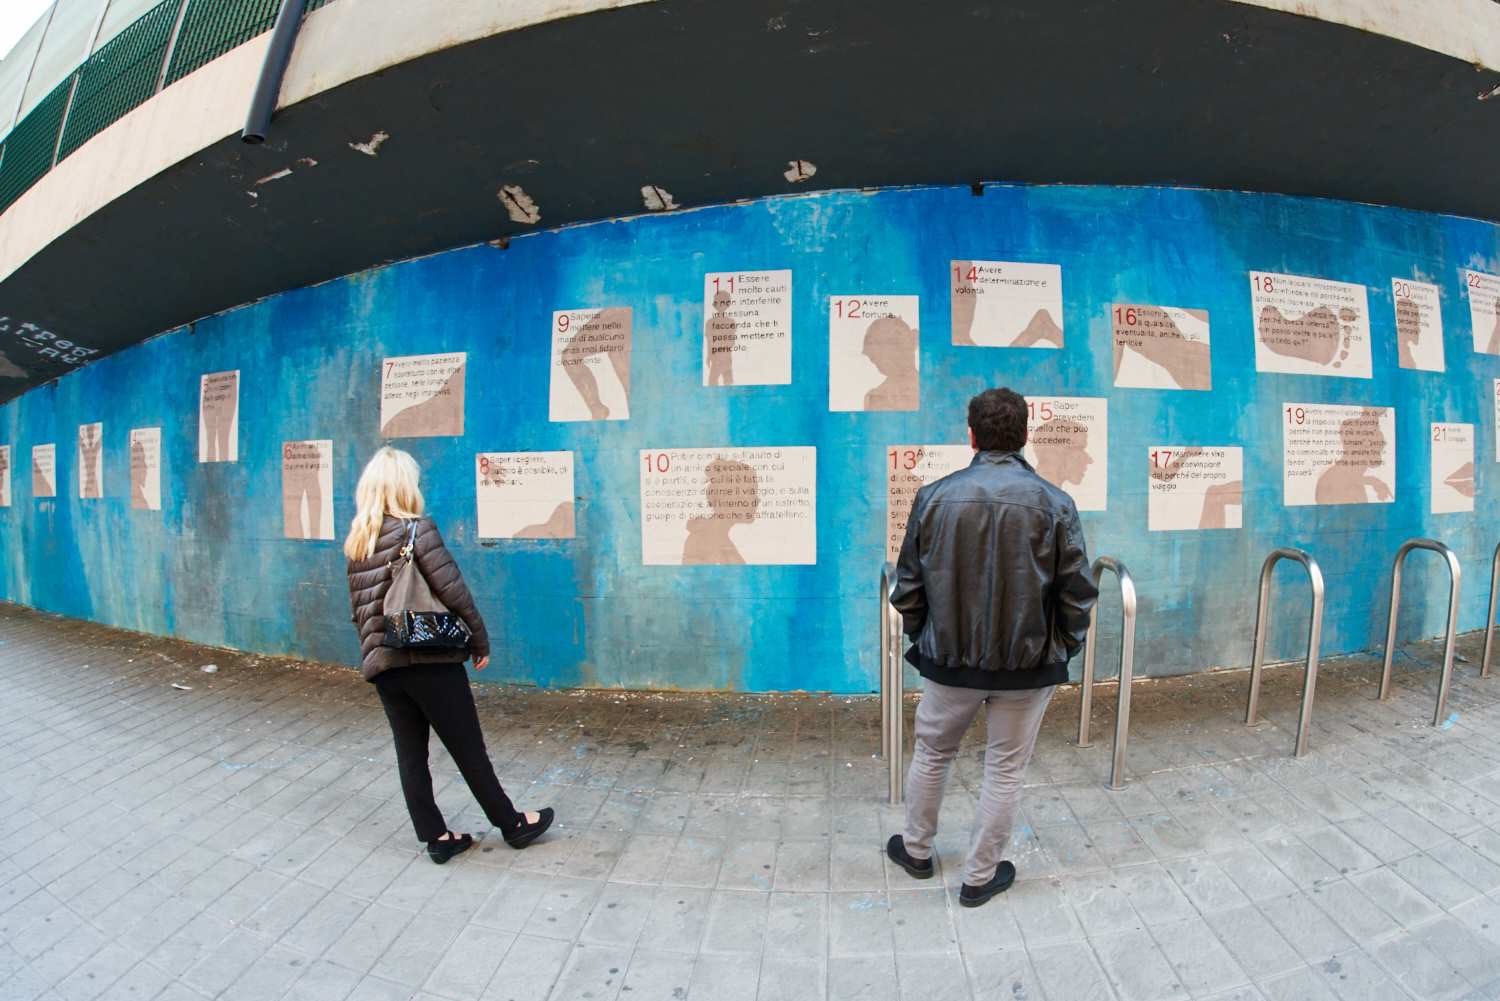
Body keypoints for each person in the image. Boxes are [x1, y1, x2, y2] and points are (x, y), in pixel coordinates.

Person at [886, 387, 1098, 907]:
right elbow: (1077, 594)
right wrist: (1059, 648)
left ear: (972, 437)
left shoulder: (933, 497)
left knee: (933, 753)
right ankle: (979, 877)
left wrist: (928, 638)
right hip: (1027, 666)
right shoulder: (1056, 503)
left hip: (948, 661)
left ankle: (916, 850)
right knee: (1004, 769)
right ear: (1024, 436)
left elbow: (908, 587)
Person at [345, 446, 552, 863]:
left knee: (411, 754)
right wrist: (479, 640)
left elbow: (359, 611)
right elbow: (453, 589)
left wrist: (376, 654)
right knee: (468, 747)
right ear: (405, 486)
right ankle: (513, 824)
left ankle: (437, 838)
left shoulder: (359, 541)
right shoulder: (416, 530)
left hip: (384, 664)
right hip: (428, 660)